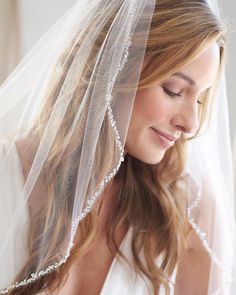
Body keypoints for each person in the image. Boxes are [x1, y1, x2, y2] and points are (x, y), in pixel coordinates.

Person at [0, 0, 235, 294]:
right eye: (173, 90)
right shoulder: (5, 176)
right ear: (113, 68)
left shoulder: (189, 211)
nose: (191, 124)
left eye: (200, 98)